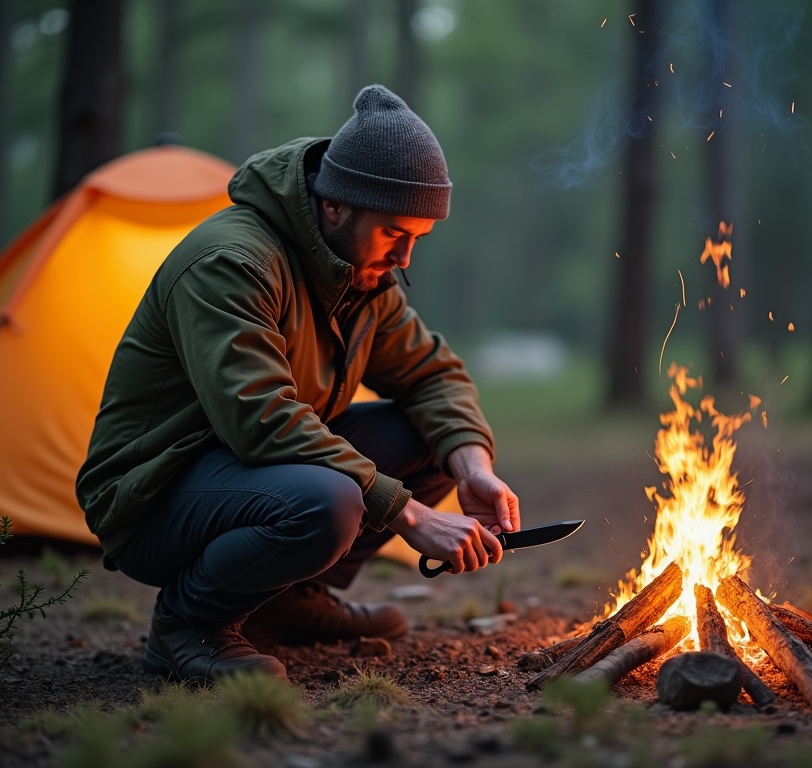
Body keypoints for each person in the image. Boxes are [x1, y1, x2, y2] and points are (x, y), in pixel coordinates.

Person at [76, 85, 520, 683]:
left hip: (246, 476)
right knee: (329, 500)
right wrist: (410, 515)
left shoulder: (359, 276)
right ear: (334, 205)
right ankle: (188, 627)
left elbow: (431, 375)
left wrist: (473, 467)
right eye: (395, 233)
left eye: (418, 238)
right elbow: (262, 420)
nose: (406, 259)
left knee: (430, 435)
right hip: (153, 495)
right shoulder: (232, 262)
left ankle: (282, 603)